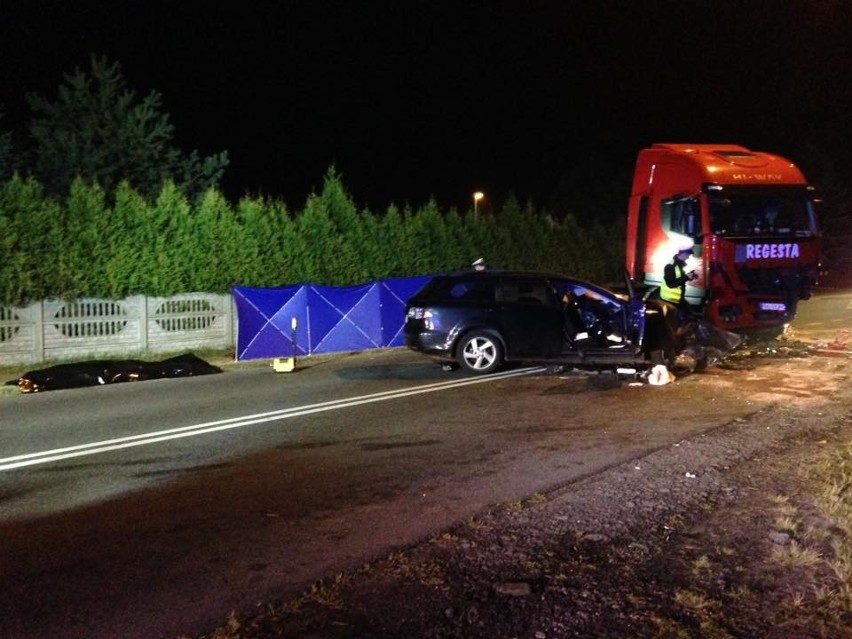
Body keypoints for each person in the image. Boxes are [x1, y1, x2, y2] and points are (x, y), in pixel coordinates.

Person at [660, 243, 697, 318]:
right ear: (683, 254)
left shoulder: (680, 264)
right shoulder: (670, 266)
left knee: (688, 317)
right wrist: (686, 277)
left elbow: (679, 278)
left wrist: (690, 275)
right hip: (670, 301)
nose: (688, 257)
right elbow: (671, 284)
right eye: (688, 255)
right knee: (675, 322)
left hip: (678, 299)